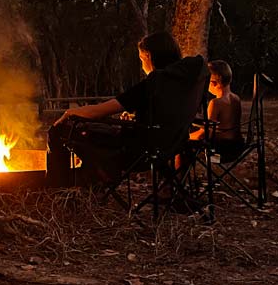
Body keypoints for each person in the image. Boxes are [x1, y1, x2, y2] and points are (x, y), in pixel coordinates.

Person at [46, 31, 207, 186]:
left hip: (136, 152)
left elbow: (98, 111)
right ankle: (92, 179)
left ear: (148, 56)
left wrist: (69, 113)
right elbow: (165, 117)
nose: (142, 65)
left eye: (141, 59)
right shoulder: (187, 83)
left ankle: (58, 189)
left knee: (59, 131)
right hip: (171, 146)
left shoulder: (154, 84)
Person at [191, 60, 244, 163]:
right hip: (236, 148)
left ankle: (177, 178)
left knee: (183, 148)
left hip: (219, 151)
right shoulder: (236, 98)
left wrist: (186, 138)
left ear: (215, 80)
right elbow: (223, 124)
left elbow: (205, 134)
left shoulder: (215, 103)